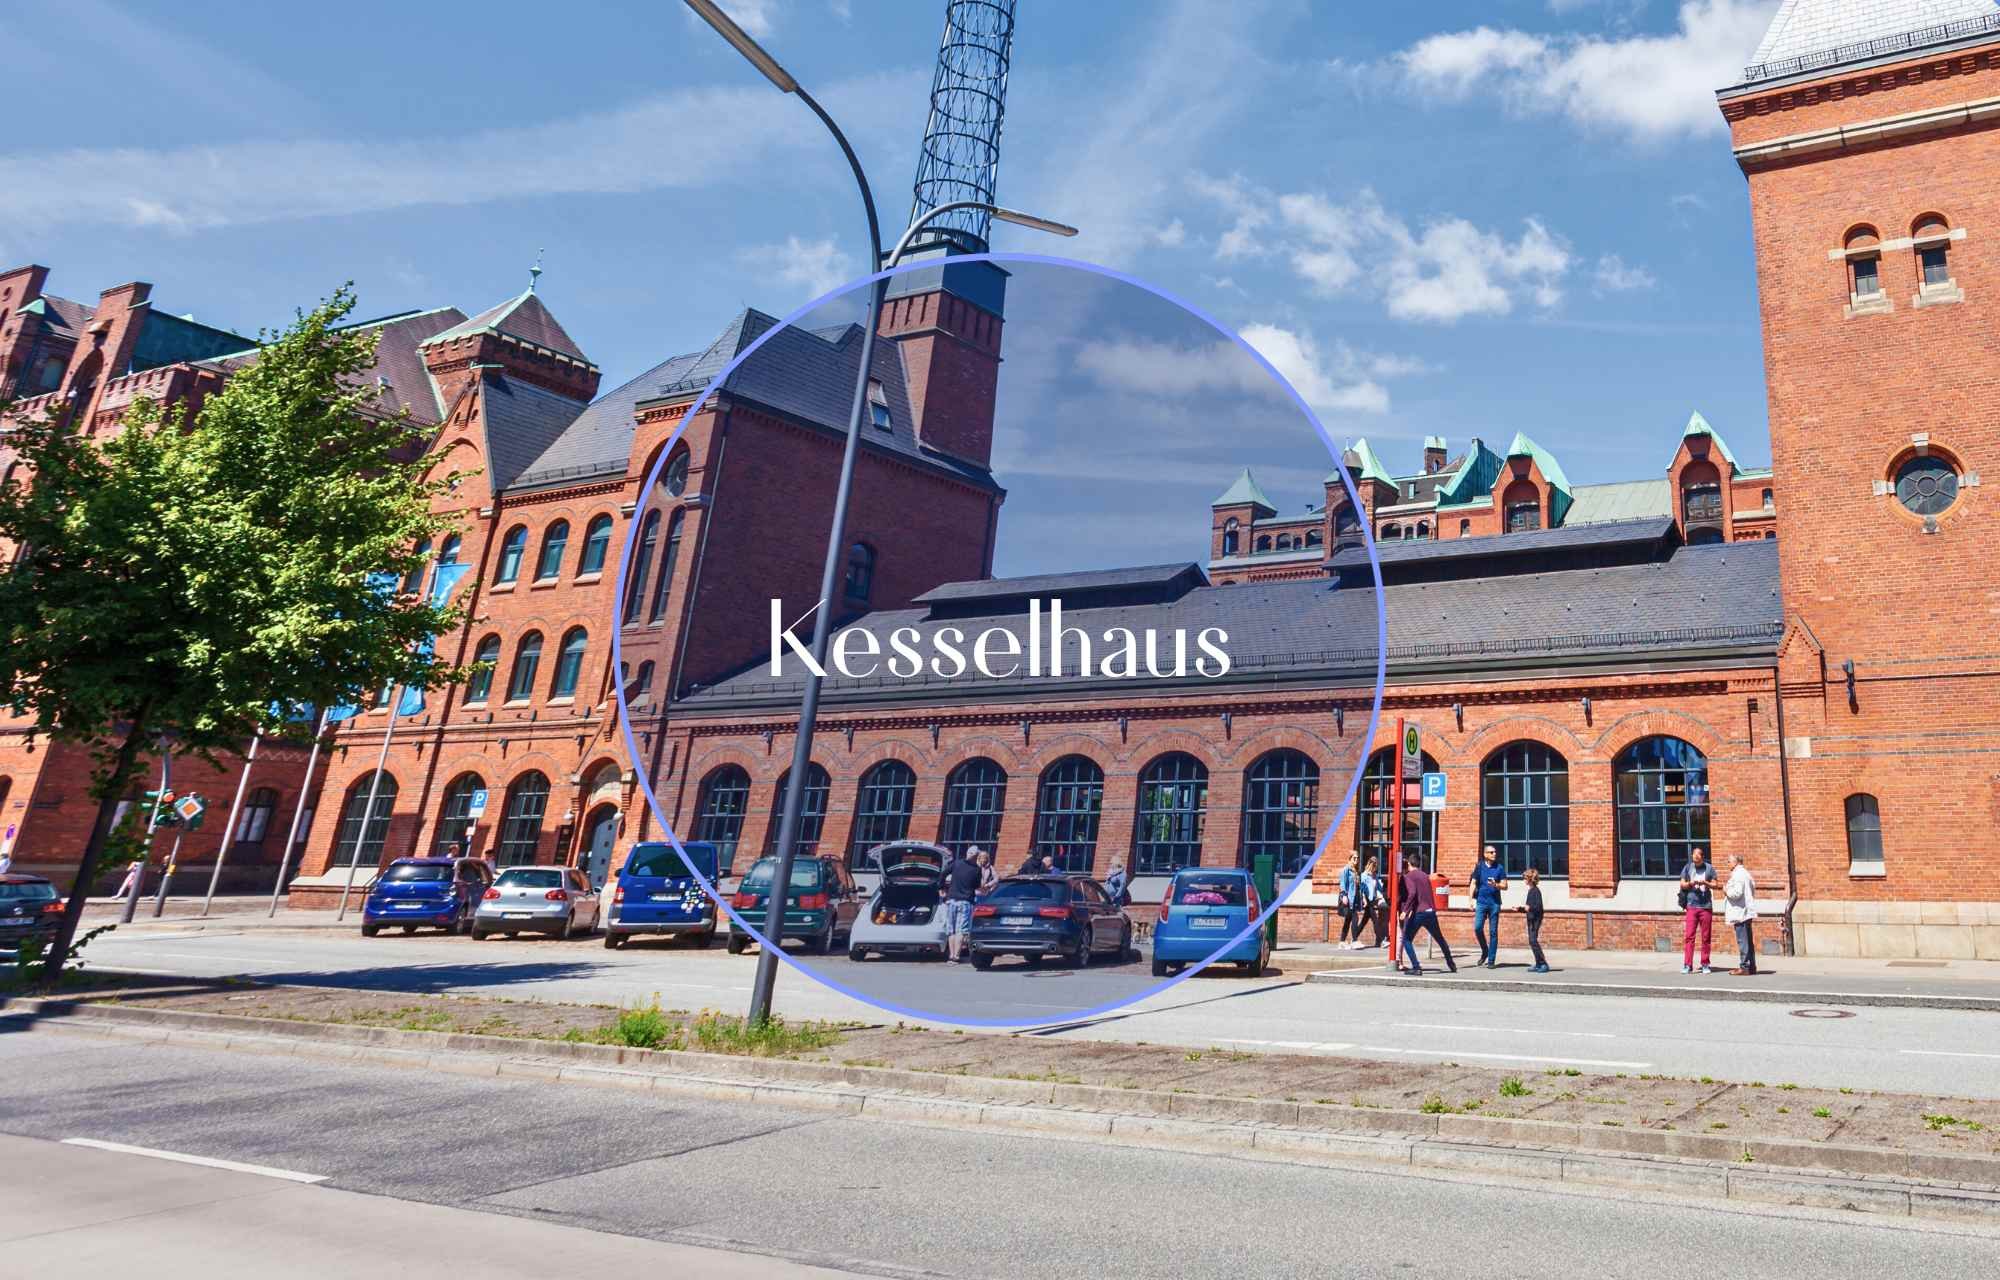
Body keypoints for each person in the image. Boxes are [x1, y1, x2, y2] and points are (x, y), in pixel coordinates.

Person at [1397, 856, 1457, 975]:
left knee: (1406, 939)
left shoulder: (1409, 876)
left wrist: (1405, 910)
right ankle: (1451, 964)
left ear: (1409, 864)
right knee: (1440, 939)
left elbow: (1412, 893)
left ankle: (1416, 967)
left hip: (1419, 912)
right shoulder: (1425, 876)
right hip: (1431, 911)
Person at [1679, 846, 1718, 974]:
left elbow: (1715, 884)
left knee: (1706, 937)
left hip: (1705, 906)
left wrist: (1705, 883)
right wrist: (1690, 884)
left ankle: (1705, 964)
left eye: (1698, 856)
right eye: (1693, 856)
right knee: (1689, 936)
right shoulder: (1688, 867)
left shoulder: (1709, 868)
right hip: (1691, 905)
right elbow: (1682, 884)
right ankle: (1687, 964)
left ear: (1702, 857)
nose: (1695, 858)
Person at [942, 847, 984, 964]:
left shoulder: (956, 864)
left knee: (951, 930)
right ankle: (956, 956)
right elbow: (977, 885)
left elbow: (944, 873)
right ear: (976, 856)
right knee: (961, 930)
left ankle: (951, 956)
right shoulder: (976, 869)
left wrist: (941, 888)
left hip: (952, 900)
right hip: (965, 901)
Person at [1469, 845, 1509, 968]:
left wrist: (1496, 885)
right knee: (1477, 928)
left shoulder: (1500, 868)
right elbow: (1473, 883)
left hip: (1495, 903)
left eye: (1495, 852)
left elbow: (1505, 885)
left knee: (1493, 932)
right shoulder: (1479, 867)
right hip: (1481, 902)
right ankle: (1484, 950)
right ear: (1485, 854)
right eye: (1491, 852)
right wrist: (1470, 899)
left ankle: (1491, 960)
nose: (1494, 854)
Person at [1720, 852, 1759, 976]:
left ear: (1736, 862)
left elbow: (1736, 893)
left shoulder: (1738, 875)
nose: (1727, 863)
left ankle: (1745, 966)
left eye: (1729, 861)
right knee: (1747, 940)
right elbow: (1753, 887)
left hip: (1740, 912)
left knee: (1743, 940)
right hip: (1746, 911)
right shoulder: (1746, 874)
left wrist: (1726, 890)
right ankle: (1751, 966)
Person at [1521, 867, 1548, 972]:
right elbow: (1528, 908)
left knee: (1533, 941)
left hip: (1535, 920)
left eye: (1525, 878)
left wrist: (1529, 908)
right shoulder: (1531, 891)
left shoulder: (1535, 891)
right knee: (1532, 941)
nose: (1523, 880)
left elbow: (1538, 907)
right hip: (1531, 918)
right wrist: (1519, 909)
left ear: (1529, 879)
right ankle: (1538, 963)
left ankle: (1543, 963)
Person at [1336, 854, 1363, 948]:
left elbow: (1358, 886)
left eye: (1357, 858)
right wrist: (1343, 895)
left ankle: (1342, 941)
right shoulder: (1346, 870)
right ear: (1350, 859)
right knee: (1355, 918)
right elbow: (1343, 883)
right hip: (1348, 899)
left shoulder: (1356, 871)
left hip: (1355, 899)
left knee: (1348, 920)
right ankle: (1354, 941)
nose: (1356, 860)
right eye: (1354, 858)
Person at [1360, 857, 1386, 947]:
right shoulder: (1364, 875)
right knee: (1375, 920)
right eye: (1374, 865)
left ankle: (1354, 938)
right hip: (1367, 900)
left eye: (1376, 866)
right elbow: (1362, 889)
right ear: (1370, 865)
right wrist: (1363, 899)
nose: (1375, 868)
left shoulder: (1375, 876)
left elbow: (1378, 888)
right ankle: (1381, 941)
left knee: (1363, 922)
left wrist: (1381, 886)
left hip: (1373, 900)